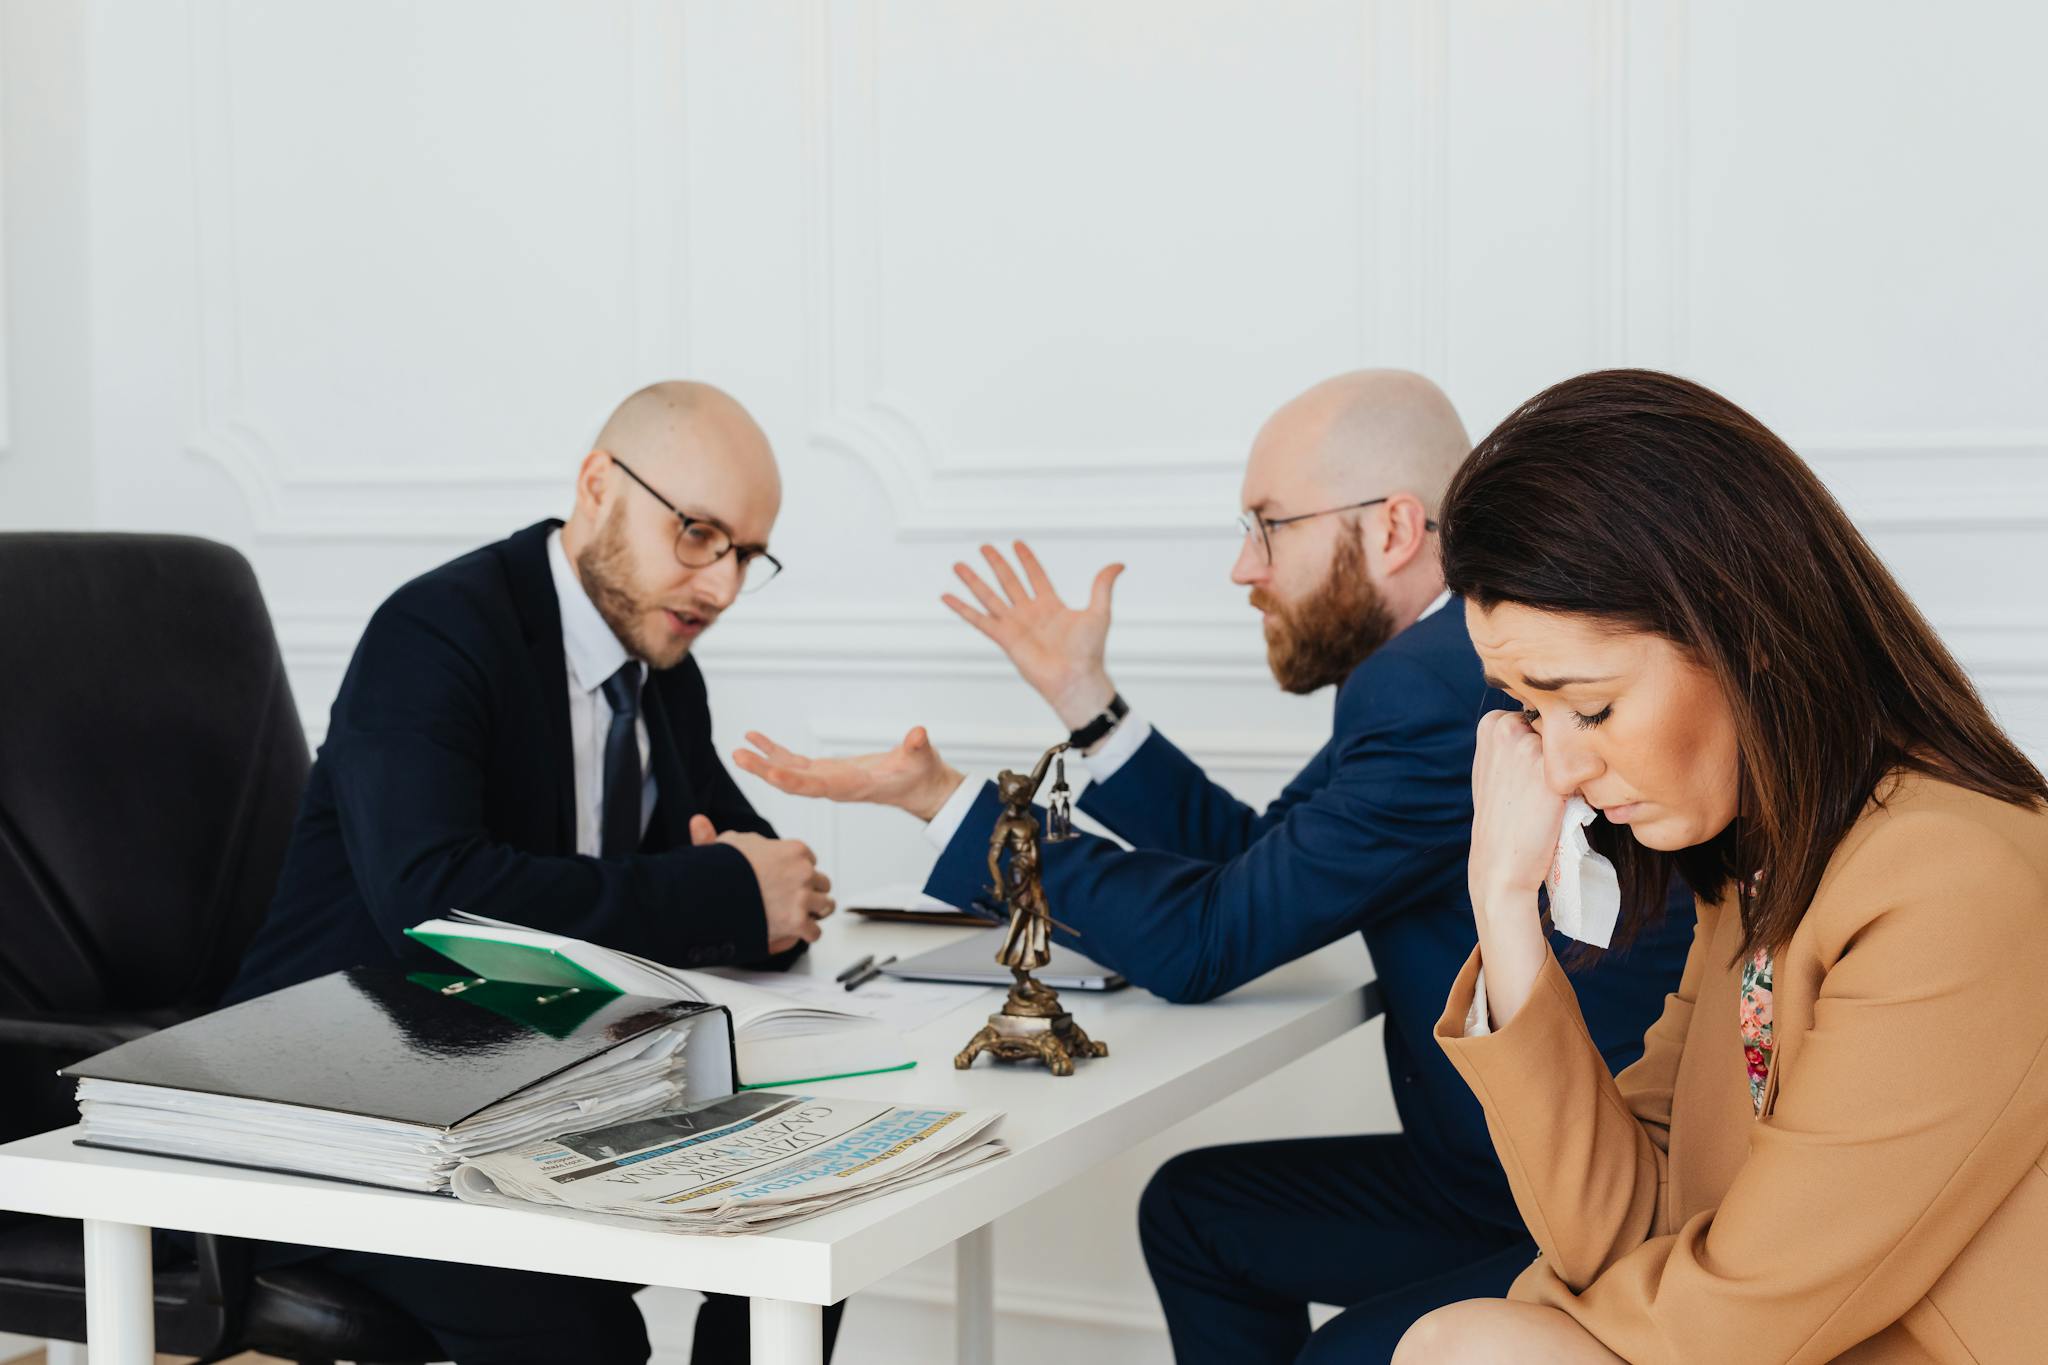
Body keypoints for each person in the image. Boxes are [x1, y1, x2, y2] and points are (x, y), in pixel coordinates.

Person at [732, 370, 1696, 1360]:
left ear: (1394, 529)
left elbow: (1204, 941)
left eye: (1268, 525)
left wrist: (949, 806)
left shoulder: (1437, 688)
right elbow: (1256, 861)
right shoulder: (1427, 667)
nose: (1244, 567)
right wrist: (1086, 704)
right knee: (1198, 1218)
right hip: (1489, 1176)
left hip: (1584, 1204)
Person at [1392, 369, 2048, 1364]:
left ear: (1743, 634)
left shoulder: (1950, 879)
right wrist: (1501, 904)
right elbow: (1616, 1228)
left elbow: (1735, 1328)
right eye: (1529, 710)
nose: (1559, 768)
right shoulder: (1765, 874)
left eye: (1590, 705)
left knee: (1470, 1346)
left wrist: (1521, 1323)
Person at [222, 382, 844, 1364]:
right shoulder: (434, 634)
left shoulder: (661, 665)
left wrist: (765, 892)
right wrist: (726, 894)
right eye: (696, 534)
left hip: (528, 1081)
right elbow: (438, 913)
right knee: (579, 1331)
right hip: (348, 1101)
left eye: (745, 556)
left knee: (806, 1224)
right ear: (597, 485)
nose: (720, 587)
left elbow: (742, 859)